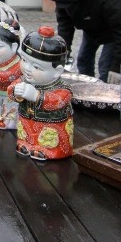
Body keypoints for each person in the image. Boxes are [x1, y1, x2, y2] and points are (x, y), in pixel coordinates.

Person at [48, 0, 121, 83]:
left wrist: (117, 67)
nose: (66, 7)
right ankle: (87, 89)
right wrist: (64, 52)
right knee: (83, 59)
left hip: (113, 27)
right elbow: (65, 26)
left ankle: (106, 96)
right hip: (89, 22)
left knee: (106, 67)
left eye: (69, 4)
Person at [11, 26, 75, 161]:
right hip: (27, 118)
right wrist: (15, 91)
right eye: (24, 60)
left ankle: (50, 150)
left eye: (36, 67)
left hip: (50, 124)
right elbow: (11, 89)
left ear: (57, 71)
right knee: (27, 133)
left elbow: (59, 100)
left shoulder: (63, 88)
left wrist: (37, 96)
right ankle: (26, 145)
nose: (27, 68)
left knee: (49, 138)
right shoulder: (23, 80)